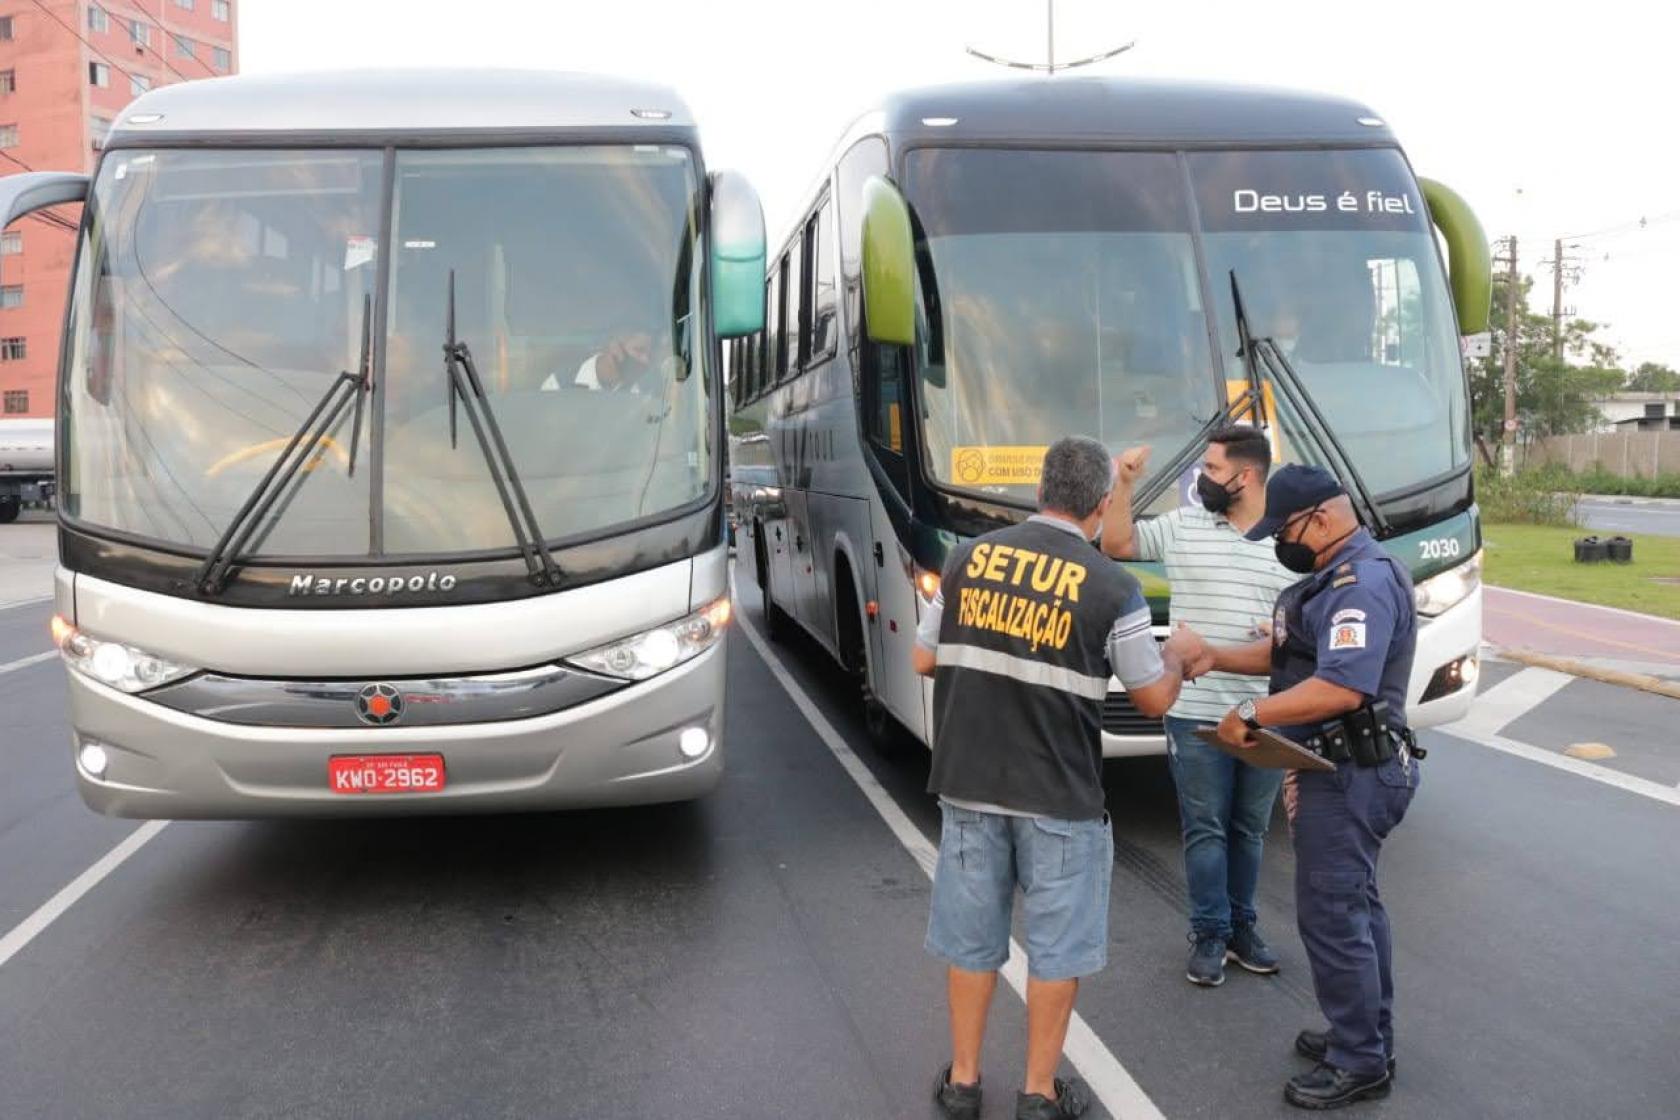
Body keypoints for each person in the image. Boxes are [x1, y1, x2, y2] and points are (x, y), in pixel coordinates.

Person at [911, 436, 1203, 1120]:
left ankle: (962, 1083)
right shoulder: (1112, 587)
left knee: (971, 940)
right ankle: (1039, 1095)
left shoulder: (965, 559)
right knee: (1056, 949)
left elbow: (924, 662)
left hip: (967, 783)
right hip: (1060, 797)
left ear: (1039, 491)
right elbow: (1153, 699)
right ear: (1103, 504)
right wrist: (1183, 658)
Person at [1178, 464, 1420, 1111]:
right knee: (1356, 909)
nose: (1281, 541)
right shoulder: (1331, 578)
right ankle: (1364, 1030)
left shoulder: (1361, 583)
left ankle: (1361, 1060)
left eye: (1285, 528)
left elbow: (1344, 685)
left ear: (1319, 517)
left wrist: (1253, 715)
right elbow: (1292, 654)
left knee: (1334, 915)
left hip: (1353, 773)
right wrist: (1218, 656)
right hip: (1338, 768)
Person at [1100, 426, 1298, 987]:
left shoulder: (1287, 540)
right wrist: (1124, 484)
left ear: (1248, 476)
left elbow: (1305, 619)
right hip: (1194, 710)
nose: (1201, 479)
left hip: (1264, 712)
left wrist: (1280, 628)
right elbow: (1116, 545)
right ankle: (1210, 932)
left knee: (1250, 829)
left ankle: (1243, 929)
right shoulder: (1185, 525)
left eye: (1212, 470)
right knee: (1205, 827)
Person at [539, 326, 656, 393]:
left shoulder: (640, 391)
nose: (645, 360)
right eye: (639, 350)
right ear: (614, 346)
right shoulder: (558, 384)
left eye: (649, 355)